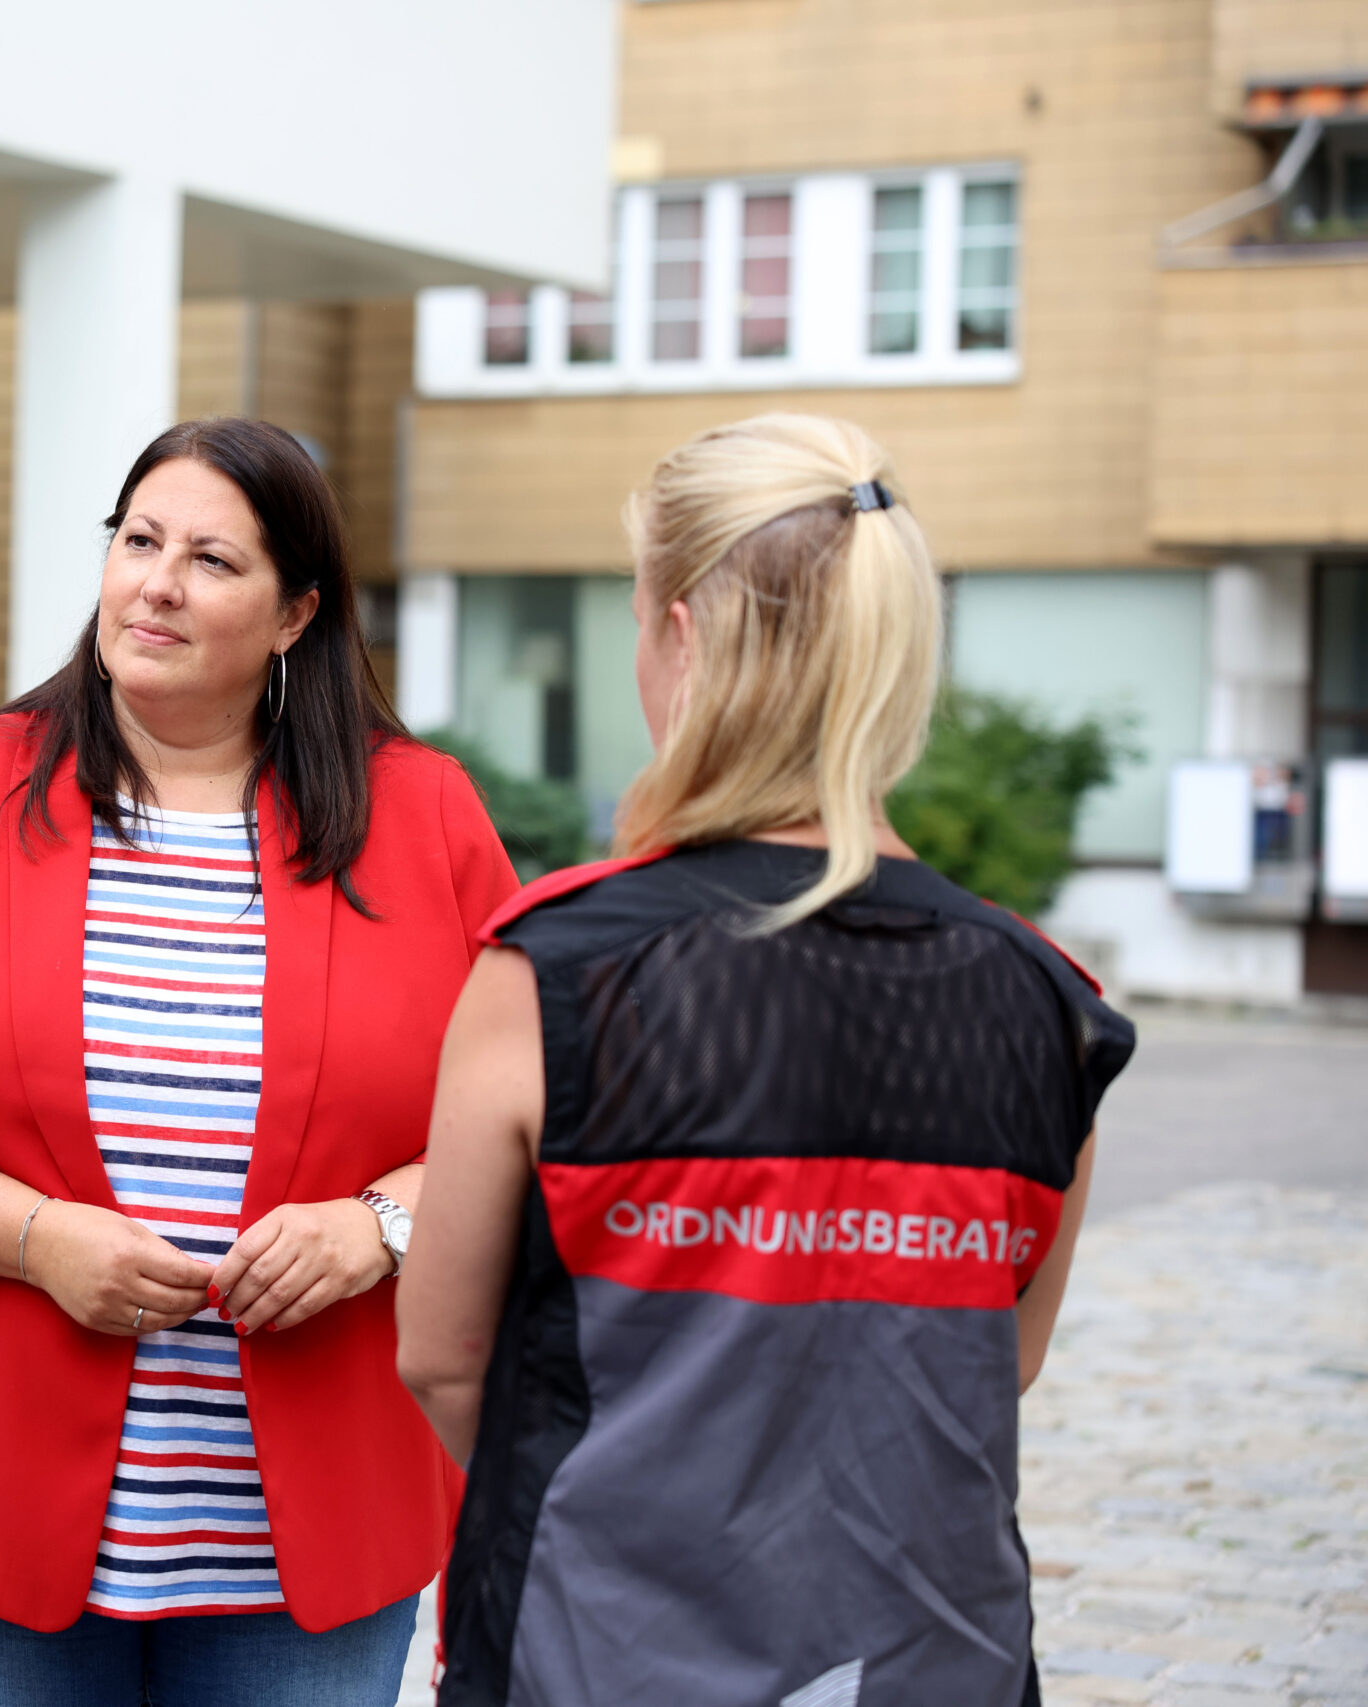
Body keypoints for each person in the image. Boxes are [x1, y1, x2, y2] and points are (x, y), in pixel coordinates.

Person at [397, 413, 1135, 1707]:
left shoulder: (555, 970)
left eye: (637, 619)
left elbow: (446, 1360)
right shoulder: (1045, 1001)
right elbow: (998, 1358)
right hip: (930, 1663)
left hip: (600, 1653)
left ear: (682, 636)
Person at [0, 417, 518, 1706]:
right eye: (139, 542)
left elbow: (531, 1112)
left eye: (212, 560)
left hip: (311, 1538)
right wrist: (32, 1238)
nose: (158, 585)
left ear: (296, 614)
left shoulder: (424, 816)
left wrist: (381, 1226)